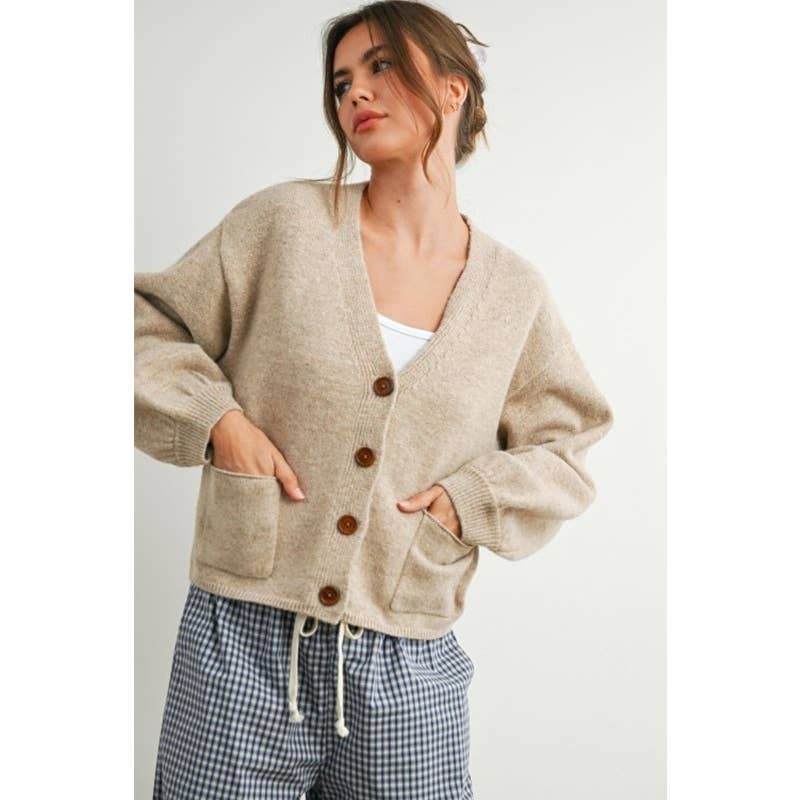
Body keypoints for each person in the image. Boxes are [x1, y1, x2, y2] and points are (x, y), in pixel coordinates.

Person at [135, 2, 614, 798]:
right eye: (341, 81)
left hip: (408, 663)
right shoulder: (282, 226)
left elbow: (567, 449)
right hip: (242, 641)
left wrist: (469, 501)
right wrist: (216, 421)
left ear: (455, 88)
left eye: (383, 65)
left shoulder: (513, 294)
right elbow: (138, 326)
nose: (356, 91)